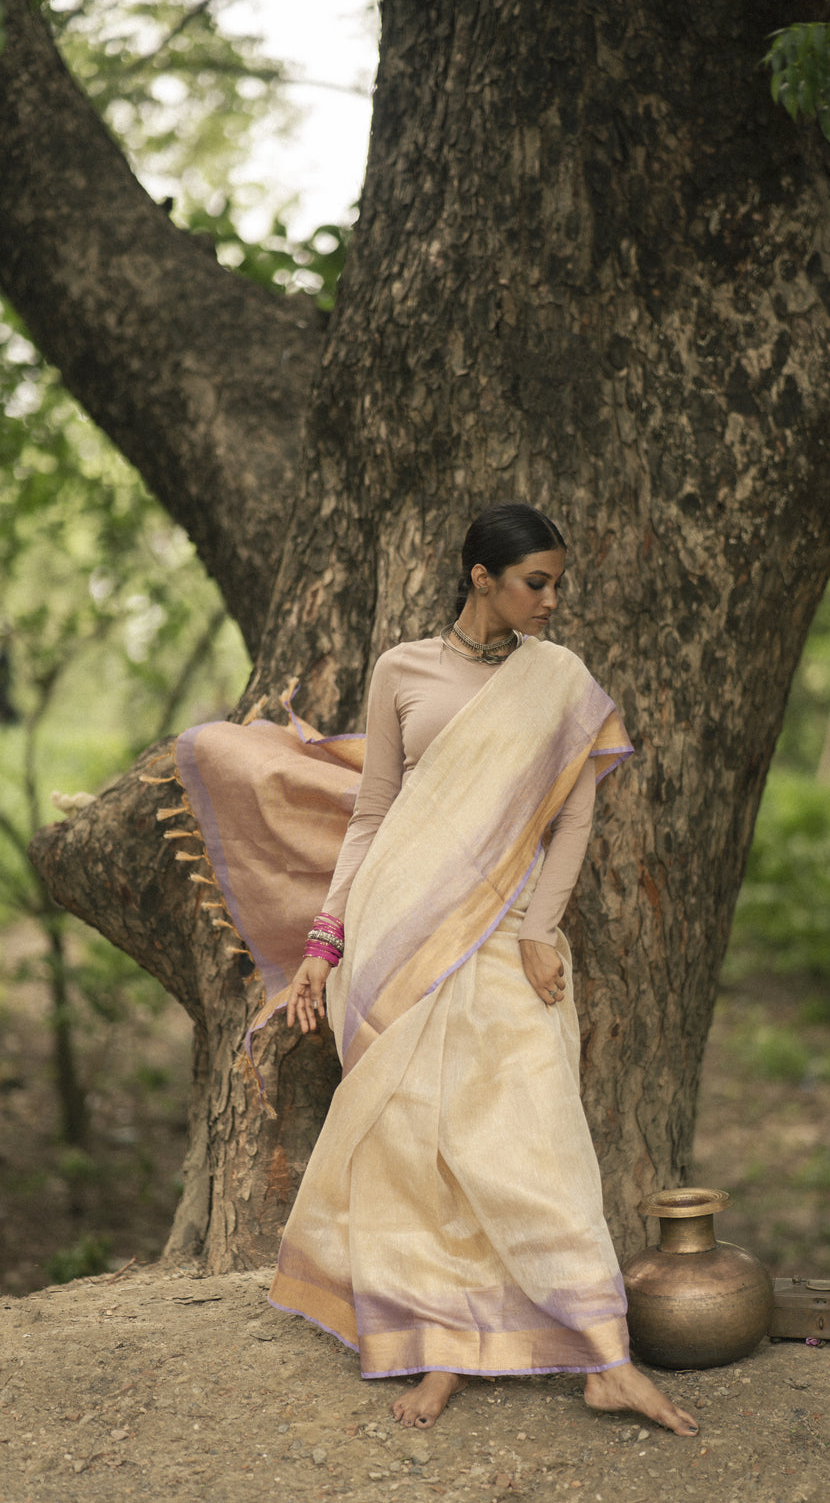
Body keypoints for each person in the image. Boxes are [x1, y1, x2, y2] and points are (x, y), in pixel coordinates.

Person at [265, 501, 698, 1437]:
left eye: (556, 584)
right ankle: (443, 1348)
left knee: (530, 1131)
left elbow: (574, 819)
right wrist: (323, 942)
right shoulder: (402, 671)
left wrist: (543, 931)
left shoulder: (561, 681)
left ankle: (602, 1360)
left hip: (509, 935)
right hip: (397, 935)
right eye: (535, 583)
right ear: (481, 579)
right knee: (415, 1143)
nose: (550, 601)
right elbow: (375, 810)